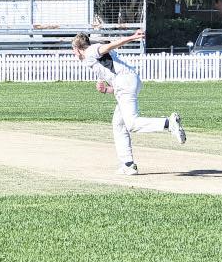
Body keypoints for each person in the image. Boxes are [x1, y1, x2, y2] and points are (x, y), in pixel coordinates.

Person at [72, 29, 185, 175]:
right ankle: (128, 164)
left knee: (132, 124)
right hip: (127, 82)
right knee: (118, 124)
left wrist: (132, 37)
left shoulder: (90, 51)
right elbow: (117, 85)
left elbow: (109, 46)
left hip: (126, 82)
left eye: (73, 50)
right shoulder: (93, 57)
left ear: (77, 48)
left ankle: (169, 123)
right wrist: (106, 90)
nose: (73, 54)